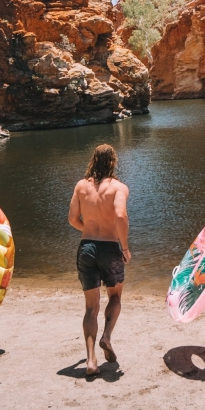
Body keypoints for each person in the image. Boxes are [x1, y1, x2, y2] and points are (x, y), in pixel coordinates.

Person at [68, 144, 130, 378]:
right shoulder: (119, 188)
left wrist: (89, 231)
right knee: (115, 296)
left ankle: (91, 360)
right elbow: (121, 216)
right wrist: (123, 246)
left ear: (93, 160)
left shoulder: (81, 186)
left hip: (87, 248)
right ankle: (106, 337)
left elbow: (72, 218)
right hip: (110, 248)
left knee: (91, 308)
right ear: (113, 162)